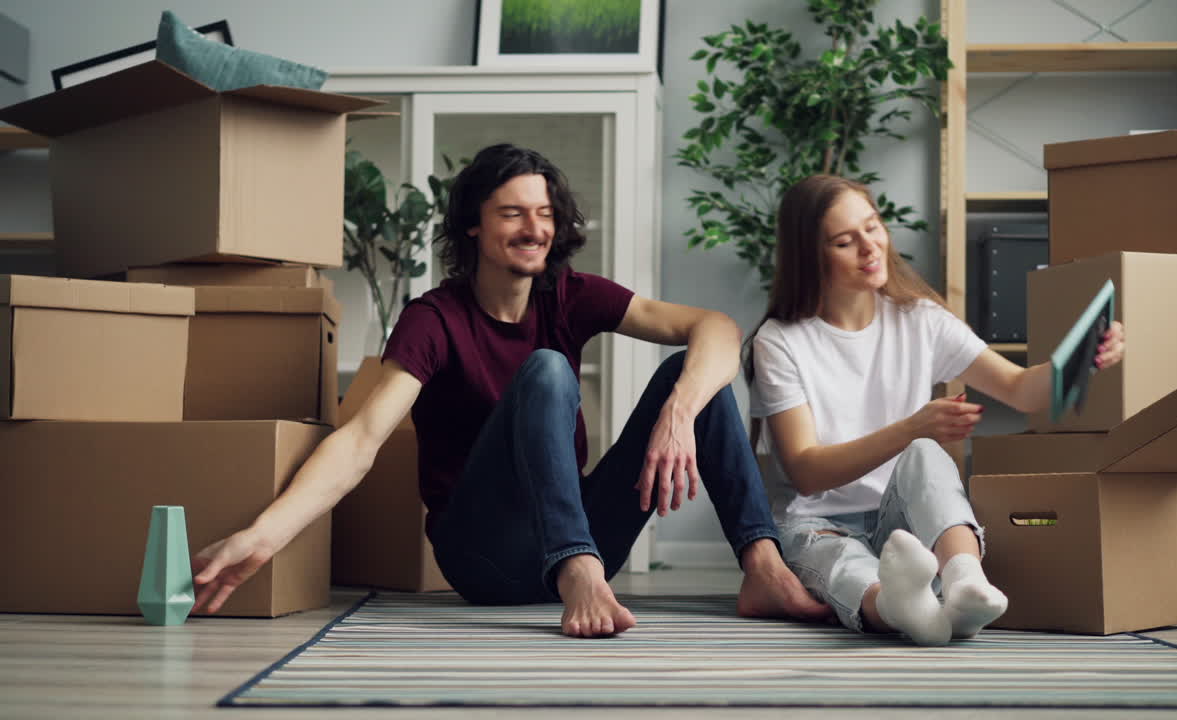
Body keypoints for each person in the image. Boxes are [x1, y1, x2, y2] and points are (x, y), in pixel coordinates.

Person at [190, 143, 831, 637]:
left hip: (578, 533)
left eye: (545, 214)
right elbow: (361, 440)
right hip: (485, 558)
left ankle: (762, 567)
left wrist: (679, 413)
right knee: (548, 370)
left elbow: (716, 327)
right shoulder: (434, 319)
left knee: (694, 376)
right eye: (513, 213)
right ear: (473, 224)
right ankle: (579, 571)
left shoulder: (570, 295)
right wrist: (263, 535)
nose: (534, 228)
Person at [745, 174, 1125, 645]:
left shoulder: (920, 320)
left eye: (873, 226)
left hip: (903, 521)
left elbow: (1021, 389)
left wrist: (1083, 358)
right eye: (845, 242)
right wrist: (910, 428)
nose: (869, 247)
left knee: (925, 453)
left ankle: (966, 584)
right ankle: (899, 607)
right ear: (810, 256)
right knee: (844, 562)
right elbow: (806, 471)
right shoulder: (779, 342)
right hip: (819, 524)